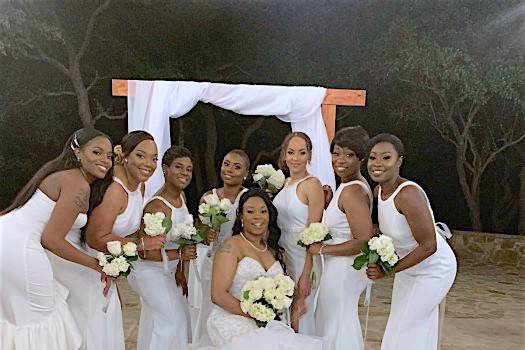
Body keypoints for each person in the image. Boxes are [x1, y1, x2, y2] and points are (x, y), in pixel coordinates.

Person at [0, 128, 113, 349]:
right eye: (97, 152)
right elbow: (51, 239)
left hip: (7, 241)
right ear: (78, 153)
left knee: (17, 318)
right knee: (42, 318)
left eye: (109, 156)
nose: (105, 161)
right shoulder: (76, 182)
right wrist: (98, 265)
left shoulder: (63, 176)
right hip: (19, 249)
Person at [366, 133, 457, 350]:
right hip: (409, 267)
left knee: (404, 325)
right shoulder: (379, 191)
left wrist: (388, 270)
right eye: (372, 157)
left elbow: (429, 245)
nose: (377, 163)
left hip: (435, 267)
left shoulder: (407, 195)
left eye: (386, 158)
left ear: (399, 161)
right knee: (407, 323)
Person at [204, 188, 326, 349]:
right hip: (235, 318)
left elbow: (287, 290)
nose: (257, 217)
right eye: (250, 211)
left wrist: (295, 305)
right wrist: (257, 314)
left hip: (271, 323)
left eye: (263, 211)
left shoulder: (273, 250)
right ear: (241, 216)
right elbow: (218, 295)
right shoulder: (231, 246)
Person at [84, 131, 165, 350]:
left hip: (107, 262)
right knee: (92, 322)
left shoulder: (140, 185)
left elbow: (124, 230)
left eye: (154, 158)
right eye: (141, 156)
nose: (149, 163)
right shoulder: (115, 191)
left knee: (109, 317)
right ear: (125, 155)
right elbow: (94, 238)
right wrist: (140, 246)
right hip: (86, 262)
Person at [308, 126, 374, 350]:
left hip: (344, 270)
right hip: (339, 267)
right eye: (336, 153)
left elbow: (364, 240)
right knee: (334, 319)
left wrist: (322, 250)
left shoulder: (352, 191)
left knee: (339, 321)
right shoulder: (348, 186)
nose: (340, 160)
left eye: (349, 154)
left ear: (361, 158)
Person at [128, 145, 198, 350]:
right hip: (148, 271)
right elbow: (145, 251)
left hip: (167, 269)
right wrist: (180, 254)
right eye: (178, 167)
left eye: (188, 169)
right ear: (165, 169)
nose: (184, 173)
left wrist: (180, 271)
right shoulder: (157, 206)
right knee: (171, 320)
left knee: (177, 316)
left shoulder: (181, 198)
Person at [193, 149, 250, 341]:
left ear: (246, 173)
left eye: (237, 167)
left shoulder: (249, 198)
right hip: (213, 261)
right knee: (211, 307)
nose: (230, 170)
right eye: (226, 164)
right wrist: (205, 234)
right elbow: (198, 234)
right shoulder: (208, 198)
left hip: (242, 263)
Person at [272, 132, 324, 334]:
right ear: (284, 155)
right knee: (287, 313)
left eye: (302, 153)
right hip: (283, 255)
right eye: (291, 152)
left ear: (309, 155)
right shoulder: (284, 183)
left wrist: (306, 274)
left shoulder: (312, 185)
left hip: (303, 257)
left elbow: (314, 233)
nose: (296, 158)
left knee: (302, 313)